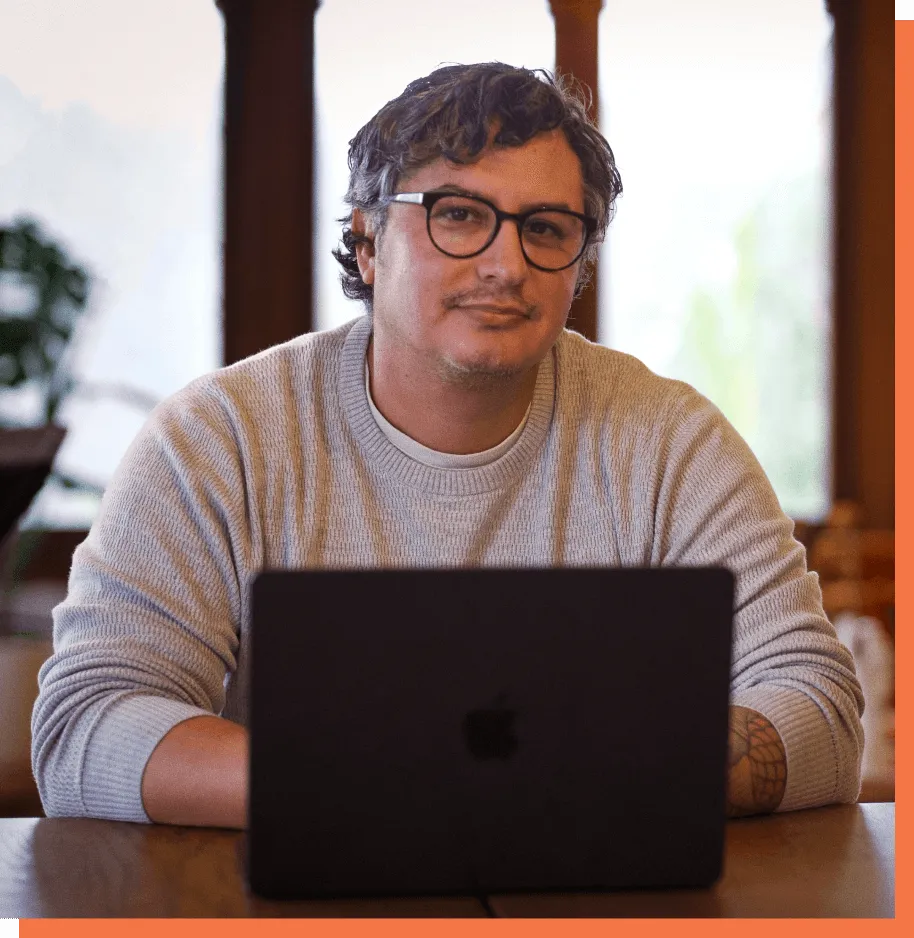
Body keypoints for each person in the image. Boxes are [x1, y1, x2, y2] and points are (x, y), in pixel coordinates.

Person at [31, 63, 864, 830]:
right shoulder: (216, 440)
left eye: (545, 227)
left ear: (578, 265)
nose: (505, 264)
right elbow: (87, 726)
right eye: (458, 215)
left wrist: (568, 778)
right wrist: (390, 786)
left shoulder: (671, 441)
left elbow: (818, 705)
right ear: (365, 239)